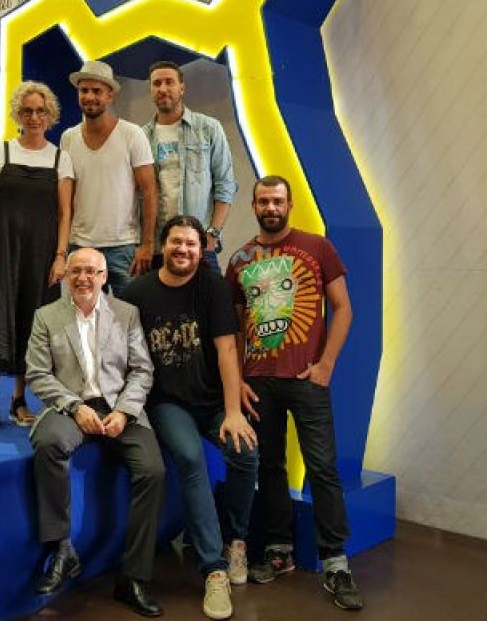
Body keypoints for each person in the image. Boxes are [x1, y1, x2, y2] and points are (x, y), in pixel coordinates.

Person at [225, 175, 365, 611]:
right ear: (254, 206)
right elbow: (235, 328)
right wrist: (239, 379)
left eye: (278, 201)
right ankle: (278, 550)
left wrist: (326, 365)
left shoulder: (317, 247)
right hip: (257, 383)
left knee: (322, 468)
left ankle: (336, 563)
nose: (271, 207)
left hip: (306, 380)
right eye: (264, 201)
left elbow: (343, 308)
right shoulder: (239, 259)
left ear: (290, 205)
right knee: (269, 466)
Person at [121, 215, 258, 620]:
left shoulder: (213, 287)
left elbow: (227, 350)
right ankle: (213, 570)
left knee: (246, 452)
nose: (183, 250)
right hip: (168, 402)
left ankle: (236, 540)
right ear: (163, 246)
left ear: (201, 250)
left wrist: (232, 412)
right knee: (190, 458)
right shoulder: (137, 293)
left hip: (212, 400)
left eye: (191, 244)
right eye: (176, 242)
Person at [26, 248, 165, 617]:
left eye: (92, 271)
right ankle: (62, 548)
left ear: (105, 277)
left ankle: (132, 577)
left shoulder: (126, 313)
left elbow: (142, 370)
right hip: (71, 406)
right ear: (66, 275)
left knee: (153, 470)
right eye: (76, 271)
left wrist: (124, 411)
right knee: (48, 442)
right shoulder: (46, 316)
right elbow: (38, 374)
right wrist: (75, 407)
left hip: (120, 407)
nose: (83, 278)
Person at [0, 81, 74, 430]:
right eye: (27, 110)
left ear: (50, 115)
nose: (34, 117)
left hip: (41, 255)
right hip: (1, 250)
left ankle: (19, 400)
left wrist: (60, 256)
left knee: (33, 324)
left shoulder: (61, 158)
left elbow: (65, 214)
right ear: (18, 114)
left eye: (40, 111)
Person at [59, 60, 157, 297]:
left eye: (97, 91)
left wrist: (147, 244)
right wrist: (62, 250)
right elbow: (66, 200)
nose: (89, 97)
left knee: (131, 313)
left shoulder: (132, 134)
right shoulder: (68, 138)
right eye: (84, 90)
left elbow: (150, 191)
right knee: (82, 315)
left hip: (123, 247)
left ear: (110, 96)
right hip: (80, 245)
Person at [143, 61, 237, 273]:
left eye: (169, 82)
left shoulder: (208, 128)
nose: (163, 89)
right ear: (151, 90)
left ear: (182, 88)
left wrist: (212, 234)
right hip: (158, 248)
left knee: (211, 295)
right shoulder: (140, 136)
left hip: (199, 245)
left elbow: (226, 184)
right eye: (156, 83)